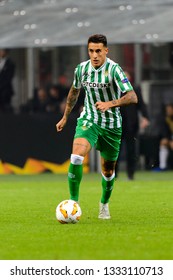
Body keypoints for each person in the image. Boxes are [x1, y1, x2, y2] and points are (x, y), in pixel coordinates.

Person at [56, 34, 138, 219]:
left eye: (98, 51)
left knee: (108, 171)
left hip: (111, 126)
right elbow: (74, 93)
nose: (94, 55)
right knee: (76, 156)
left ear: (106, 51)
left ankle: (104, 204)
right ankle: (73, 203)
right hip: (89, 120)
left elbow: (133, 97)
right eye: (91, 51)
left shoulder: (115, 70)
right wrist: (65, 117)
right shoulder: (82, 69)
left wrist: (110, 103)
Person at [117, 71, 150, 180]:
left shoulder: (135, 89)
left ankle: (130, 174)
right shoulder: (114, 89)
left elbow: (141, 104)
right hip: (117, 125)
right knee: (115, 151)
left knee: (131, 150)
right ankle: (113, 175)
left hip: (132, 125)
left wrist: (145, 117)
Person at [154, 103, 173, 171]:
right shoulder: (165, 119)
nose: (168, 111)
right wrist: (170, 140)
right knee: (163, 142)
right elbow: (165, 132)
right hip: (170, 140)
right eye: (167, 110)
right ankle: (163, 166)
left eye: (170, 110)